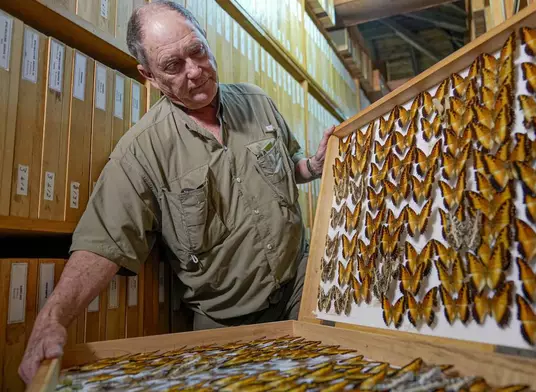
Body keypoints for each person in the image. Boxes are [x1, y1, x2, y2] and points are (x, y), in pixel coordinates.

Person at [19, 0, 334, 384]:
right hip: (227, 324)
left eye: (197, 51)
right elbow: (102, 243)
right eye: (173, 65)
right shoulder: (141, 151)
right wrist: (51, 321)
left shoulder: (258, 101)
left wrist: (313, 167)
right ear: (148, 75)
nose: (195, 71)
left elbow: (290, 163)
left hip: (303, 286)